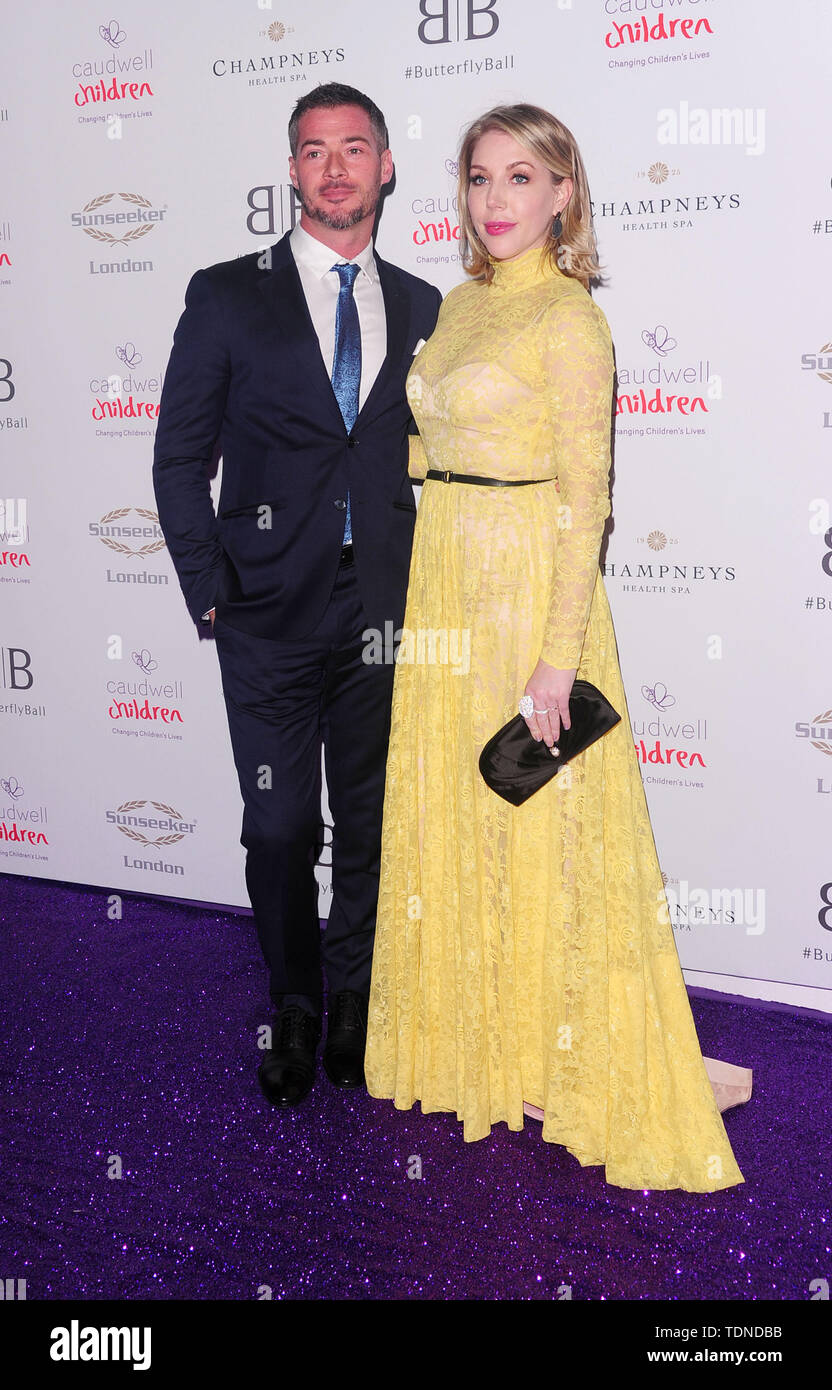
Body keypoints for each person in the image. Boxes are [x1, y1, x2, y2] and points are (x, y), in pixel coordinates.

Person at [364, 104, 751, 1191]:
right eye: (480, 176)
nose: (496, 199)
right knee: (464, 818)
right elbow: (441, 441)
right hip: (446, 580)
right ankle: (493, 1041)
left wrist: (555, 659)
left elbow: (587, 504)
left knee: (553, 827)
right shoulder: (457, 304)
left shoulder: (572, 321)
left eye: (521, 177)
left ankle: (576, 1051)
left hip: (529, 591)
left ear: (562, 194)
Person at [152, 83, 442, 1107]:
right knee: (279, 829)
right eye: (314, 150)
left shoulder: (419, 304)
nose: (334, 168)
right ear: (291, 170)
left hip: (381, 612)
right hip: (266, 617)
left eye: (354, 148)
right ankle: (294, 1001)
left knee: (367, 821)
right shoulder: (229, 293)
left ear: (385, 167)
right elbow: (180, 458)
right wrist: (213, 594)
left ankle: (355, 1002)